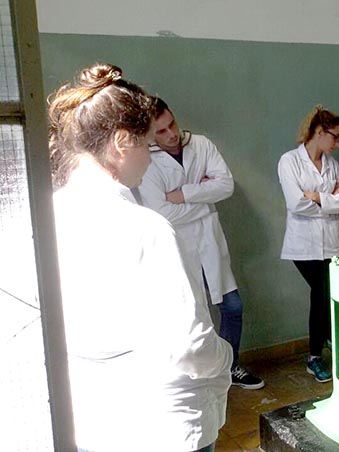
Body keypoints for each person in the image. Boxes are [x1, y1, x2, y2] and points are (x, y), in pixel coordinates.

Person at [49, 63, 232, 452]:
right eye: (147, 143)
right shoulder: (145, 228)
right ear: (120, 142)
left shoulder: (50, 214)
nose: (150, 158)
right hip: (162, 424)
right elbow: (191, 347)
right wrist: (225, 356)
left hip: (93, 420)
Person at [137, 98, 264, 390]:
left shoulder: (201, 145)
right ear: (149, 135)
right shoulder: (147, 159)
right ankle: (201, 378)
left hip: (210, 241)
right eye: (161, 131)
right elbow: (161, 211)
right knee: (194, 314)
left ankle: (230, 367)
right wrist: (206, 199)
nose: (171, 134)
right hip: (178, 247)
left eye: (172, 124)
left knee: (233, 307)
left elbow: (226, 186)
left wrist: (184, 193)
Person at [277, 105, 339, 383]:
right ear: (319, 132)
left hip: (332, 243)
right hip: (303, 244)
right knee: (321, 293)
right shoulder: (289, 161)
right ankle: (314, 357)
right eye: (336, 137)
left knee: (328, 294)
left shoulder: (333, 165)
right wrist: (329, 197)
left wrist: (318, 197)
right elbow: (295, 203)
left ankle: (329, 343)